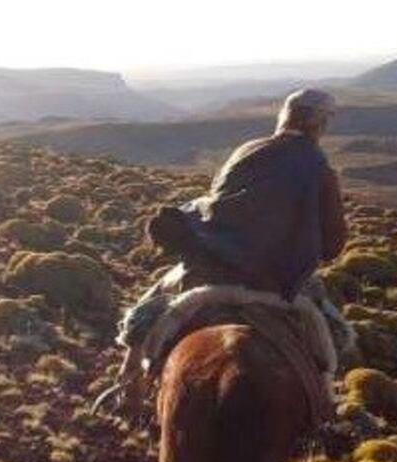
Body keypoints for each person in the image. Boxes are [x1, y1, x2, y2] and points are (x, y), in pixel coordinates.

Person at [96, 88, 349, 415]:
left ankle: (128, 387)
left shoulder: (247, 151)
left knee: (150, 307)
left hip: (214, 268)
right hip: (280, 282)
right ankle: (324, 406)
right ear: (320, 123)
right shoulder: (320, 168)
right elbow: (333, 246)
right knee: (334, 332)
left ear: (285, 115)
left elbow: (218, 205)